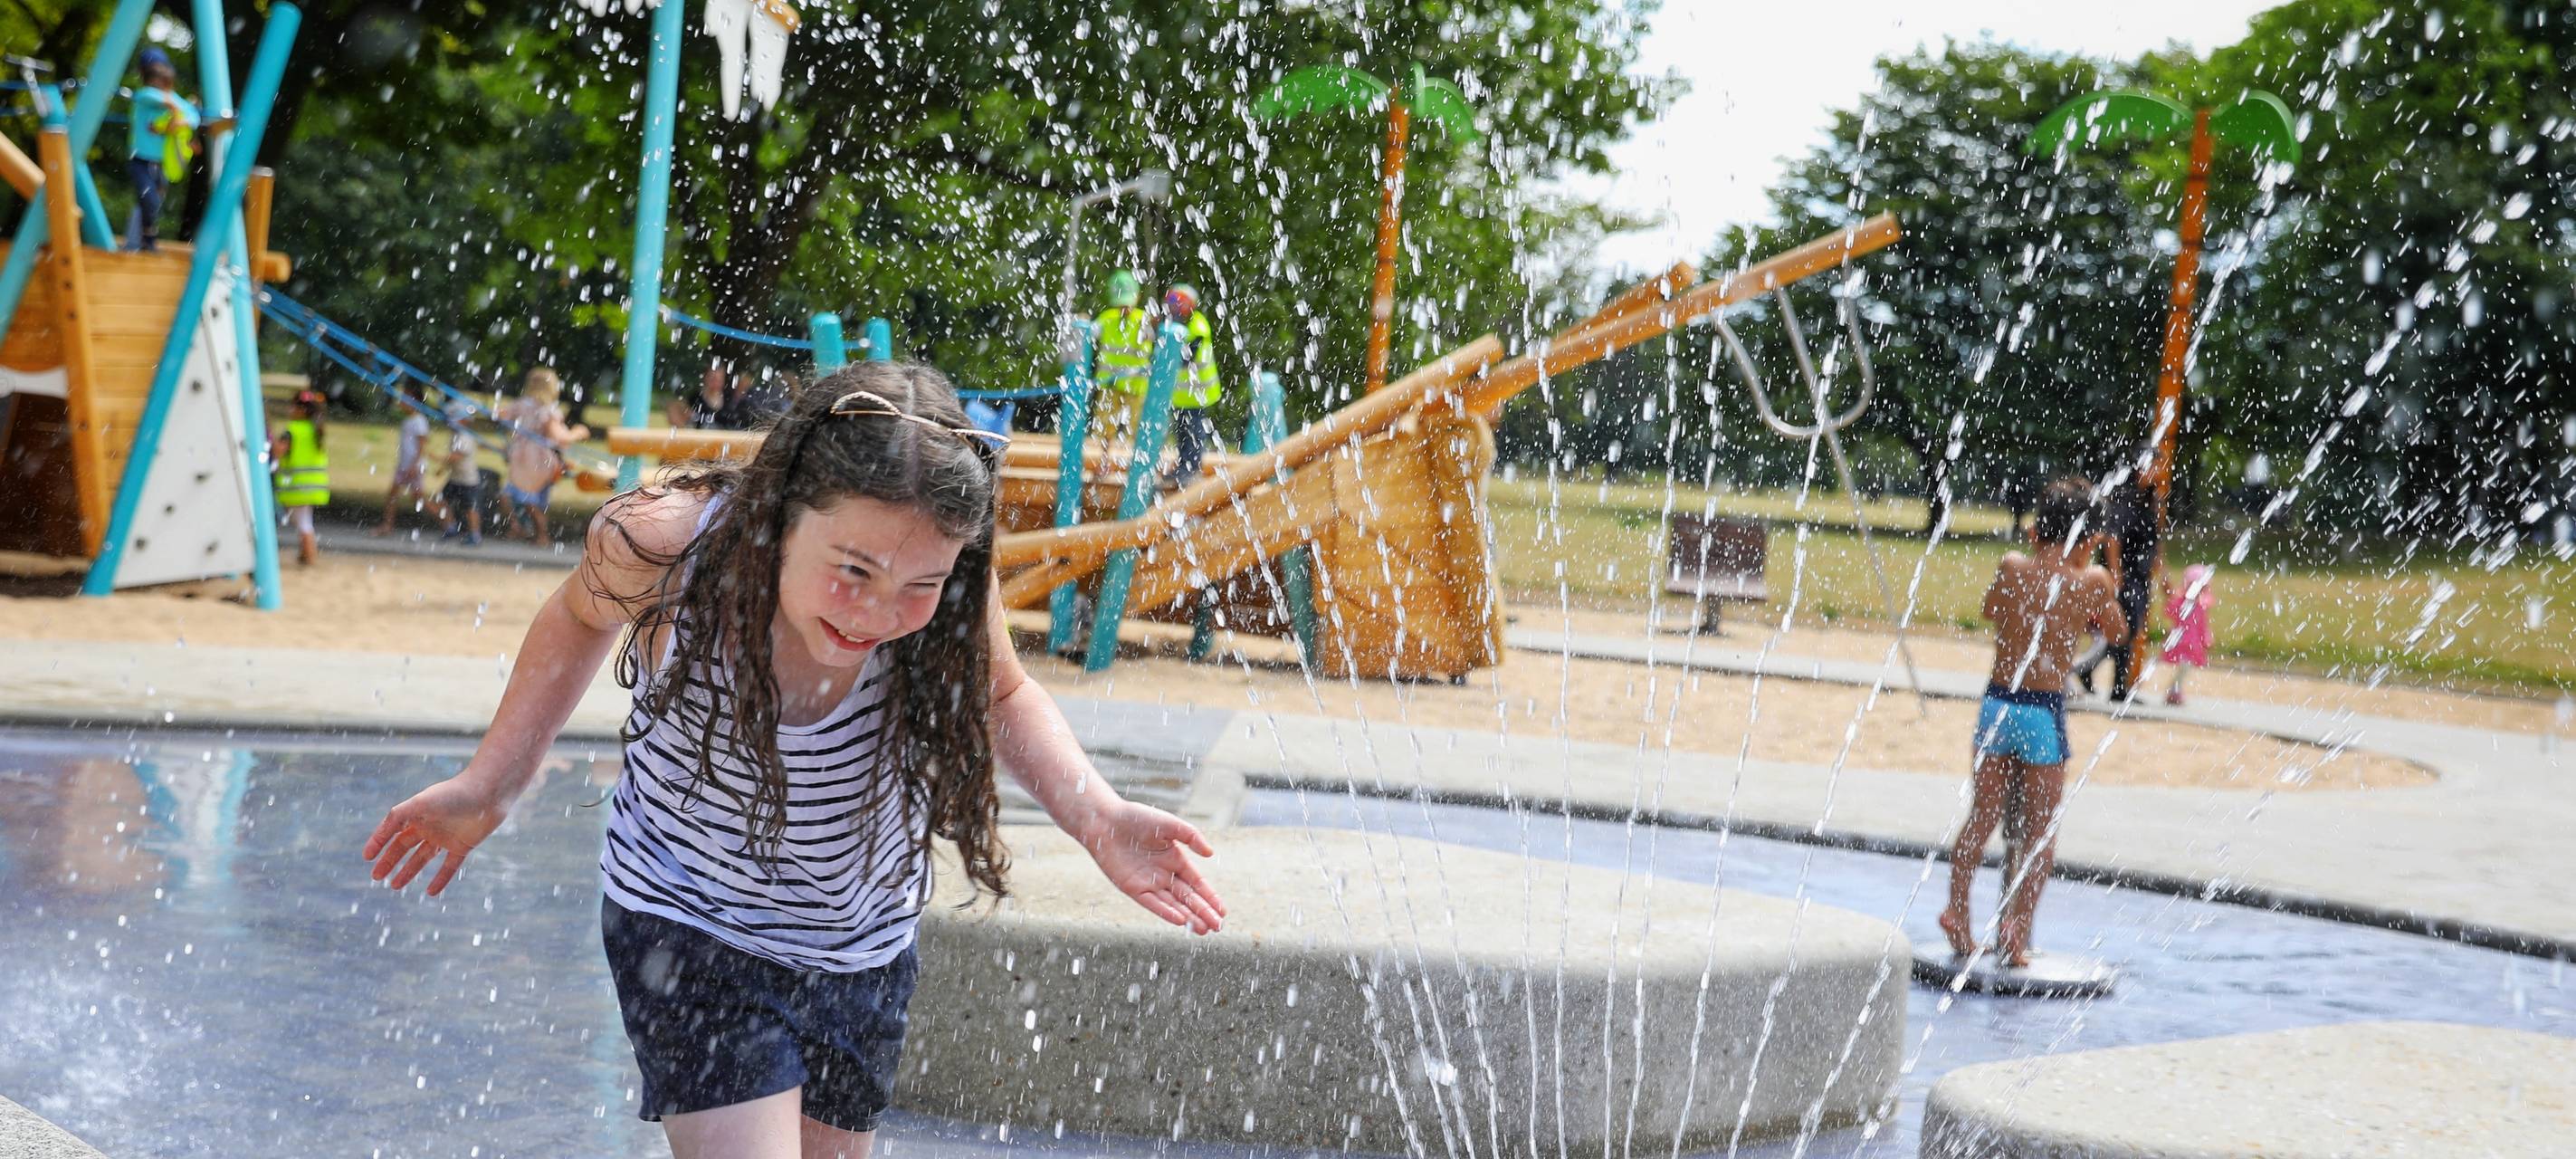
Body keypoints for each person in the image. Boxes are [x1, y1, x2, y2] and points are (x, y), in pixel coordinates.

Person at [358, 362, 1226, 1157]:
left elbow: (999, 696)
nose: (879, 611)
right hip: (688, 915)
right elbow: (578, 617)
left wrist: (1097, 815)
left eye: (917, 585)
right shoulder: (669, 548)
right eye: (852, 569)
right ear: (781, 513)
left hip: (860, 944)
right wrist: (493, 784)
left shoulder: (947, 577)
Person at [1939, 476, 2125, 968]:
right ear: (2087, 540)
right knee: (2040, 833)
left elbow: (1993, 611)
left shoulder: (2013, 566)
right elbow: (2117, 631)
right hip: (2043, 713)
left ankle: (1957, 912)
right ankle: (2015, 933)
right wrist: (2104, 571)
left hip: (1998, 704)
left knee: (1983, 817)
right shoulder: (2091, 581)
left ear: (2037, 530)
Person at [121, 48, 228, 253]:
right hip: (141, 159)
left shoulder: (170, 99)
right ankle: (141, 241)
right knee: (148, 200)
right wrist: (177, 109)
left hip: (161, 162)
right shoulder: (146, 95)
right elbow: (159, 99)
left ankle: (141, 242)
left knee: (150, 204)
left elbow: (194, 118)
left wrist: (181, 119)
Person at [2070, 476, 2157, 700]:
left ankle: (2095, 673)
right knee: (2120, 632)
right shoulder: (2125, 497)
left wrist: (2161, 574)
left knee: (2128, 631)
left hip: (2139, 576)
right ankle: (2111, 683)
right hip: (2126, 576)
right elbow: (2112, 538)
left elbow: (2155, 542)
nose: (2159, 470)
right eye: (2154, 464)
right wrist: (2117, 573)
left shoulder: (2151, 498)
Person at [501, 368, 593, 543]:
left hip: (521, 459)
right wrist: (578, 432)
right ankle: (539, 534)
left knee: (512, 496)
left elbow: (501, 416)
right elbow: (559, 437)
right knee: (532, 501)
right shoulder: (548, 410)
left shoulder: (521, 405)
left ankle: (522, 528)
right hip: (539, 462)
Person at [1161, 284, 1223, 488]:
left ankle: (1191, 468)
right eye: (1171, 301)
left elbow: (1186, 358)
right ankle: (1183, 465)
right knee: (1181, 431)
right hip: (1182, 394)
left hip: (1198, 392)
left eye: (1179, 302)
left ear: (1191, 305)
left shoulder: (1198, 327)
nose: (1174, 307)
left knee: (1194, 431)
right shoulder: (1175, 326)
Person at [1088, 271, 1151, 448]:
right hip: (1110, 384)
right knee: (1105, 424)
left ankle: (1138, 465)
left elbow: (1153, 339)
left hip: (1135, 385)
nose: (1124, 308)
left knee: (1138, 427)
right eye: (1121, 304)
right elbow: (1087, 335)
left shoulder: (1143, 319)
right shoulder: (1106, 319)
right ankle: (1104, 461)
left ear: (1137, 297)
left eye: (1127, 304)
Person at [270, 389, 329, 565]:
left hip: (296, 487)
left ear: (302, 410)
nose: (290, 409)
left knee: (303, 523)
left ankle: (309, 556)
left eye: (293, 406)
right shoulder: (315, 430)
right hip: (312, 486)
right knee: (304, 521)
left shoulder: (292, 431)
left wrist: (272, 440)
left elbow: (278, 452)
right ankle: (305, 554)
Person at [373, 384, 435, 537]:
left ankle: (449, 523)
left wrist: (414, 465)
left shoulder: (419, 421)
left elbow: (422, 446)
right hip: (405, 466)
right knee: (394, 495)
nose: (401, 401)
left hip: (414, 466)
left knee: (418, 499)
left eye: (405, 398)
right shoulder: (409, 421)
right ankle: (387, 526)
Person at [2159, 563, 2217, 705]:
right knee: (2184, 666)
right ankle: (2174, 690)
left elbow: (2202, 625)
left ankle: (2175, 690)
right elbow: (2169, 611)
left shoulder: (2201, 606)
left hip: (2192, 643)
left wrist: (2206, 639)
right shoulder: (2180, 602)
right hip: (2180, 641)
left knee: (2185, 667)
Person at [434, 400, 485, 547]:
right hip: (455, 478)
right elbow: (453, 459)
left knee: (470, 509)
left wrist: (436, 458)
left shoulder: (465, 437)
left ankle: (475, 535)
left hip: (468, 480)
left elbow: (456, 457)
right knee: (442, 501)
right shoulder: (455, 436)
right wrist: (442, 468)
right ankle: (450, 527)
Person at [666, 359, 764, 431]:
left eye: (719, 379)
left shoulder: (729, 397)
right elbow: (679, 416)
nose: (716, 382)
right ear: (705, 377)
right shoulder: (695, 399)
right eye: (713, 378)